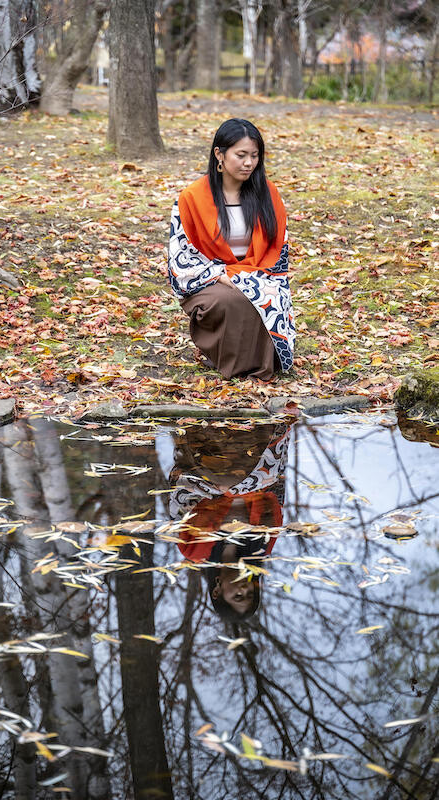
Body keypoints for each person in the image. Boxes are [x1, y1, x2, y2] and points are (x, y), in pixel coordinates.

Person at [168, 118, 295, 381]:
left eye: (254, 156)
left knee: (261, 293)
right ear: (219, 154)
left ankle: (263, 364)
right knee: (232, 298)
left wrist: (250, 275)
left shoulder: (267, 194)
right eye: (241, 155)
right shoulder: (192, 198)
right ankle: (236, 365)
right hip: (206, 276)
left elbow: (278, 246)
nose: (248, 163)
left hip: (257, 270)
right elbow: (181, 257)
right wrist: (219, 274)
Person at [169, 423, 292, 620]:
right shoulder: (263, 546)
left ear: (217, 591)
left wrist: (229, 491)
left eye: (238, 596)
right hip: (255, 462)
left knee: (226, 480)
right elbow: (273, 498)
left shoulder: (194, 550)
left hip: (204, 465)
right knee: (242, 478)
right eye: (250, 593)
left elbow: (181, 493)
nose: (244, 588)